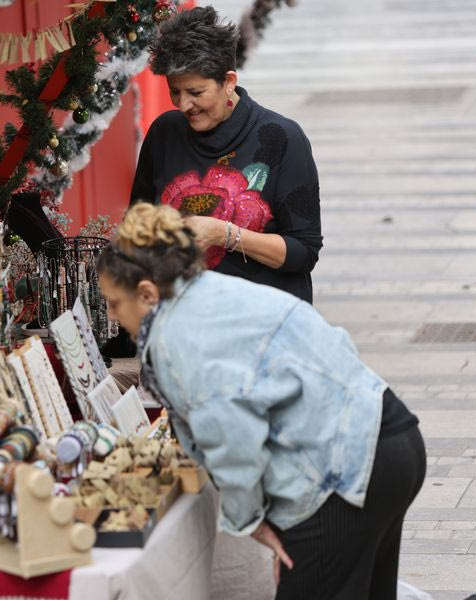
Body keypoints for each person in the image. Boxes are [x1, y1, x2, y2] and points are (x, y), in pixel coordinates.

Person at [96, 203, 425, 599]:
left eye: (115, 303)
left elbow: (232, 439)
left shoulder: (175, 337)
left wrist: (255, 525)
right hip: (386, 433)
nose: (114, 317)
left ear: (147, 294)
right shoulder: (207, 290)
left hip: (345, 468)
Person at [131, 6, 322, 303]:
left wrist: (227, 235)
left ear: (228, 81)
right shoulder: (164, 134)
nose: (183, 105)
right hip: (182, 323)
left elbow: (303, 252)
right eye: (175, 92)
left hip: (264, 323)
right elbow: (137, 229)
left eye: (196, 92)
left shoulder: (281, 138)